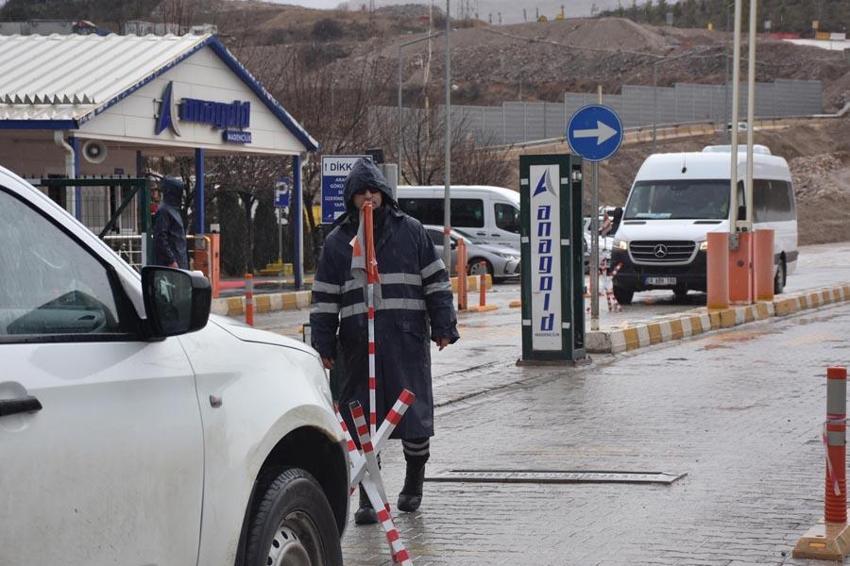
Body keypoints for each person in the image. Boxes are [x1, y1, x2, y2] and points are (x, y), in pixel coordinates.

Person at [310, 158, 459, 525]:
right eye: (361, 192)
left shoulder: (411, 232)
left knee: (413, 416)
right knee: (361, 419)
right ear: (351, 198)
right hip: (358, 346)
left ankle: (414, 479)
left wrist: (443, 324)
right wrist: (324, 345)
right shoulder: (337, 241)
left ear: (384, 194)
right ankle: (369, 495)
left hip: (405, 339)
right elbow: (325, 298)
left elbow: (436, 283)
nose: (368, 198)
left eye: (373, 191)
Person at [153, 176, 188, 269]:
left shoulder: (173, 210)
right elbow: (160, 237)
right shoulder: (165, 211)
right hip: (172, 264)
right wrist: (171, 260)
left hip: (178, 260)